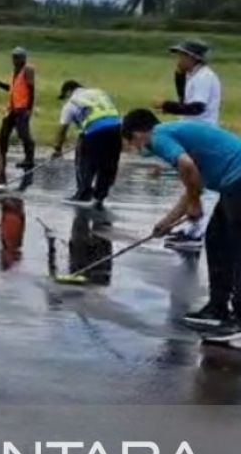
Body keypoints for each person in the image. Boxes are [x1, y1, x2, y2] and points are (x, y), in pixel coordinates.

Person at [121, 109, 241, 331]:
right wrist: (166, 222)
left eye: (132, 143)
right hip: (232, 182)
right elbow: (193, 184)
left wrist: (195, 204)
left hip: (237, 179)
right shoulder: (173, 133)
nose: (136, 149)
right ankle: (217, 308)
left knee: (236, 249)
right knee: (217, 241)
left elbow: (186, 167)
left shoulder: (158, 137)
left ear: (137, 134)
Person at [156, 40, 223, 250]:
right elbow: (185, 99)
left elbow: (196, 108)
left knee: (199, 188)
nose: (179, 60)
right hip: (195, 135)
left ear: (194, 58)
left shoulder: (203, 77)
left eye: (182, 56)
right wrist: (178, 76)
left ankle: (195, 233)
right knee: (192, 186)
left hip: (200, 136)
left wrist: (168, 107)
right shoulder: (195, 76)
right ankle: (191, 230)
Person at [53, 80, 122, 211]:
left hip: (95, 131)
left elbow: (62, 129)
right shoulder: (99, 92)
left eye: (65, 96)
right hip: (116, 128)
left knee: (85, 162)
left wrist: (57, 149)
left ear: (69, 91)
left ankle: (83, 195)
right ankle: (99, 196)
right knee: (108, 165)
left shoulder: (71, 103)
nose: (65, 99)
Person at [0, 47, 36, 182]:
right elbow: (12, 89)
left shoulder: (27, 70)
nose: (15, 60)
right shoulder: (14, 73)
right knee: (3, 134)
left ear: (24, 58)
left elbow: (31, 89)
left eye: (18, 57)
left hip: (22, 109)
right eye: (14, 57)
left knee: (24, 135)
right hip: (12, 109)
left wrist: (29, 109)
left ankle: (29, 159)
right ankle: (2, 156)